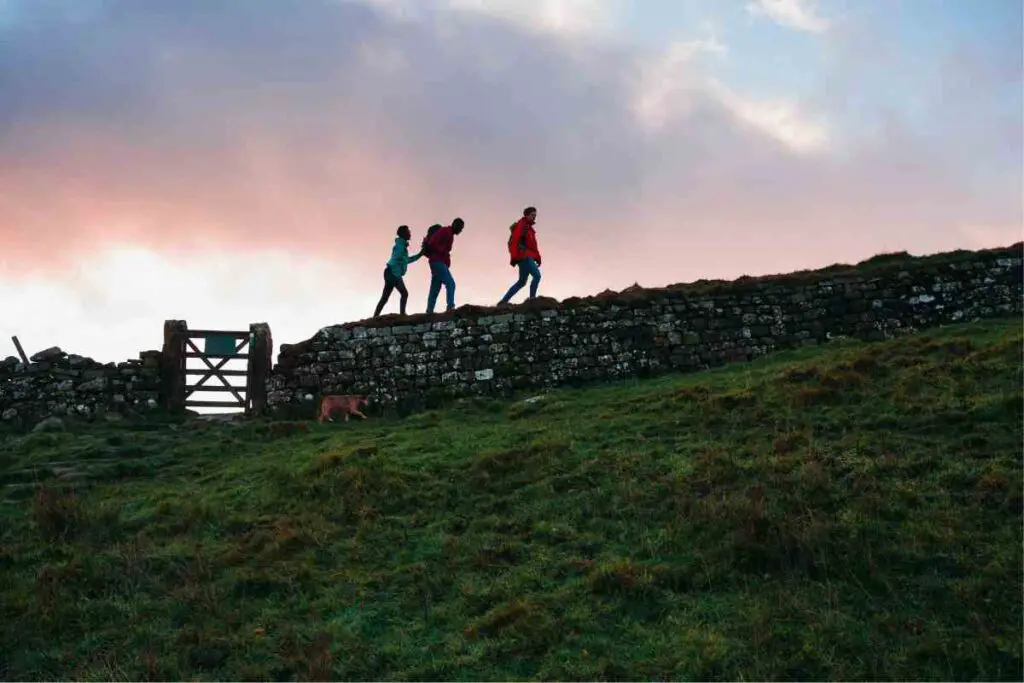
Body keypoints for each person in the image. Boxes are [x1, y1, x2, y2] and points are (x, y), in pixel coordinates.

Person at [373, 225, 422, 317]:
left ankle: (375, 316)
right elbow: (396, 259)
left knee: (385, 298)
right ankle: (402, 315)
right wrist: (396, 274)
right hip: (393, 273)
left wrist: (420, 254)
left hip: (389, 272)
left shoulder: (401, 245)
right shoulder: (400, 246)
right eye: (408, 231)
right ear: (404, 234)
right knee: (404, 293)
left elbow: (407, 260)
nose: (410, 233)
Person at [498, 206, 542, 305]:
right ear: (526, 215)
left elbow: (533, 246)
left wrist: (538, 258)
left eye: (535, 215)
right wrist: (514, 257)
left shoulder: (529, 228)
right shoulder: (522, 226)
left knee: (521, 282)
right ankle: (532, 299)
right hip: (524, 257)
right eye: (532, 215)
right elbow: (514, 242)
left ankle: (503, 302)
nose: (534, 217)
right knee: (537, 276)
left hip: (525, 257)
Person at [423, 217, 464, 314]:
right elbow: (432, 243)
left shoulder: (450, 234)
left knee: (435, 289)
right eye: (460, 227)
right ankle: (450, 307)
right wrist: (443, 252)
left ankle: (429, 312)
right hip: (437, 261)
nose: (460, 230)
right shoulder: (445, 231)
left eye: (462, 229)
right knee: (450, 283)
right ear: (454, 224)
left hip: (437, 262)